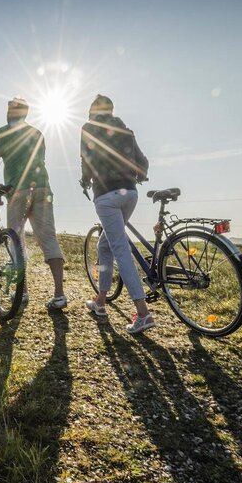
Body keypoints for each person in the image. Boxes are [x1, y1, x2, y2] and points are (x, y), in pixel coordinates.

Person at [0, 97, 67, 310]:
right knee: (48, 238)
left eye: (9, 108)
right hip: (43, 189)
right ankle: (59, 295)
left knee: (15, 241)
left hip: (18, 191)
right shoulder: (37, 133)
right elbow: (39, 162)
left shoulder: (3, 132)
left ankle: (23, 292)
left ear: (11, 112)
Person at [80, 94, 154, 333]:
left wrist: (85, 180)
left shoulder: (89, 129)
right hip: (130, 194)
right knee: (105, 246)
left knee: (120, 249)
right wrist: (140, 175)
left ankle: (143, 313)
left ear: (93, 112)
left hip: (106, 196)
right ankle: (100, 302)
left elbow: (86, 159)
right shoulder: (126, 131)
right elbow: (142, 161)